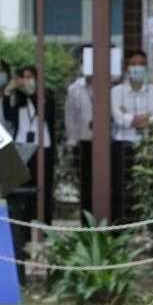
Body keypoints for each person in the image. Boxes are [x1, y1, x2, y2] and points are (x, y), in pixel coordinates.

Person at [6, 66, 56, 264]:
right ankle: (24, 239)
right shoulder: (17, 99)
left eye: (30, 77)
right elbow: (8, 115)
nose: (26, 81)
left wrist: (33, 94)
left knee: (44, 192)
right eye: (23, 78)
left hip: (44, 148)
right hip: (22, 149)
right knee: (23, 194)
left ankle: (47, 236)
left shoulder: (46, 97)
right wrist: (11, 90)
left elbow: (46, 115)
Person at [111, 51, 153, 222]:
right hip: (122, 144)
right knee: (122, 187)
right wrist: (143, 117)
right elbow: (118, 119)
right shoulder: (116, 92)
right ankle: (122, 222)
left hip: (147, 144)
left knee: (145, 185)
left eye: (141, 64)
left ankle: (143, 221)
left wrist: (130, 117)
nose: (137, 68)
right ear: (126, 67)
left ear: (146, 67)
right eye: (134, 64)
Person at [65, 48, 94, 217]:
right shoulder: (75, 88)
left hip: (106, 143)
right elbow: (70, 117)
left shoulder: (110, 84)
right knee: (85, 185)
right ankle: (86, 222)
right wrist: (72, 141)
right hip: (83, 141)